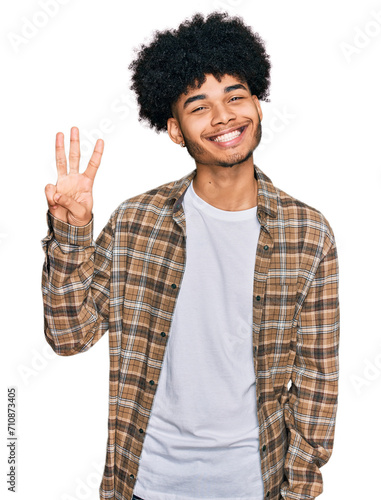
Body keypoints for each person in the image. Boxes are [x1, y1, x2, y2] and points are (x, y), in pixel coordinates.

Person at [41, 11, 339, 500]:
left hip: (253, 486)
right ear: (176, 129)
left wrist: (298, 491)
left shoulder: (308, 235)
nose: (224, 117)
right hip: (145, 484)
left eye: (236, 97)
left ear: (258, 106)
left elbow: (317, 384)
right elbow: (69, 336)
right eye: (199, 106)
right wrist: (71, 234)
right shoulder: (136, 222)